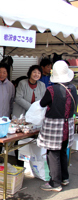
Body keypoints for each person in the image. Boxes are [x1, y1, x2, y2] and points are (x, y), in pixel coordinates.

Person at [38, 60, 77, 192]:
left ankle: (55, 183)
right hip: (68, 125)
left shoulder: (51, 89)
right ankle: (64, 178)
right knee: (62, 152)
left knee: (52, 154)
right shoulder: (73, 88)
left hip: (54, 126)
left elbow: (42, 104)